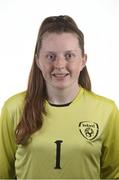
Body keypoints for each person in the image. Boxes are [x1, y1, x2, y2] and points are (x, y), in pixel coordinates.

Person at [0, 15, 119, 179]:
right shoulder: (13, 108)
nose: (60, 65)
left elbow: (113, 175)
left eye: (69, 55)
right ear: (38, 61)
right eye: (50, 56)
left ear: (83, 60)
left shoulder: (107, 110)